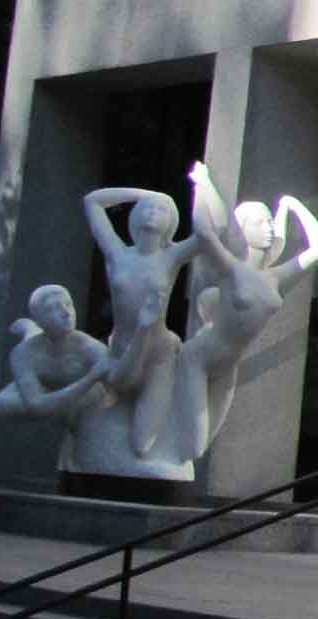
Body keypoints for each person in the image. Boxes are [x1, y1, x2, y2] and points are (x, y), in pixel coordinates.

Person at [176, 161, 318, 457]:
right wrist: (203, 183)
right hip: (199, 359)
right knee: (192, 446)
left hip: (229, 364)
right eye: (260, 222)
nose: (270, 228)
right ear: (242, 230)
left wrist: (293, 205)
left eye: (270, 221)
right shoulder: (230, 268)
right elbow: (205, 232)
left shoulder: (276, 276)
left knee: (201, 447)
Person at [82, 185, 201, 456]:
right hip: (122, 350)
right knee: (101, 414)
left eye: (160, 209)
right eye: (146, 207)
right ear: (135, 216)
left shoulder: (172, 256)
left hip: (158, 355)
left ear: (170, 222)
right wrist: (143, 193)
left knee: (142, 445)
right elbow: (93, 201)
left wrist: (202, 184)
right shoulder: (117, 253)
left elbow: (208, 233)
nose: (151, 211)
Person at [0, 285, 110, 424]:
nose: (66, 312)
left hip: (75, 391)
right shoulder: (22, 353)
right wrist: (91, 378)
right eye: (53, 308)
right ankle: (30, 328)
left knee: (85, 406)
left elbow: (118, 381)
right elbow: (37, 406)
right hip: (49, 379)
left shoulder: (91, 347)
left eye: (68, 304)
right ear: (40, 320)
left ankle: (29, 328)